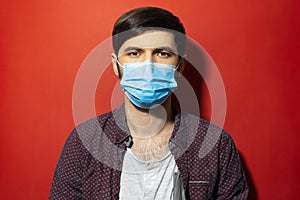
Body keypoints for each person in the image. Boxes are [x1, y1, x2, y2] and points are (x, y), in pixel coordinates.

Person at [49, 7, 248, 200]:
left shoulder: (217, 145)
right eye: (134, 53)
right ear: (116, 65)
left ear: (180, 66)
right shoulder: (85, 141)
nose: (148, 66)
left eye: (162, 54)